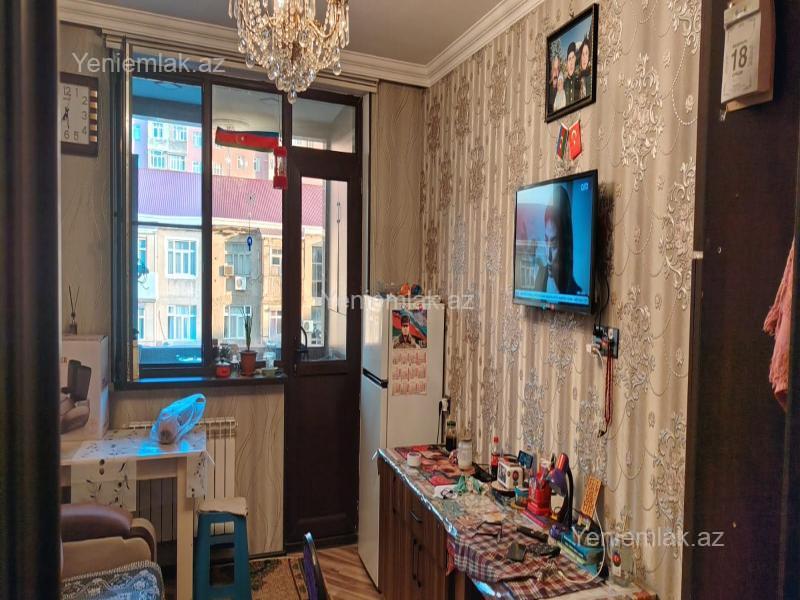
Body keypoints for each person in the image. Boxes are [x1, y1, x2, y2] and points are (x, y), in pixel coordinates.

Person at [532, 185, 581, 295]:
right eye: (546, 241)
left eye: (554, 244)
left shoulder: (576, 294)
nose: (548, 256)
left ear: (566, 244)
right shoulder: (540, 276)